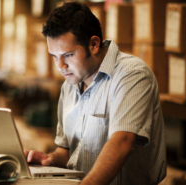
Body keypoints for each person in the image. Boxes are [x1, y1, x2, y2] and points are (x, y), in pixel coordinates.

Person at [24, 2, 166, 185]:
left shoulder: (132, 75)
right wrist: (49, 160)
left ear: (93, 45)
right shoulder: (69, 85)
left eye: (68, 55)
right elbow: (67, 151)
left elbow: (123, 142)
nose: (60, 66)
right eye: (54, 56)